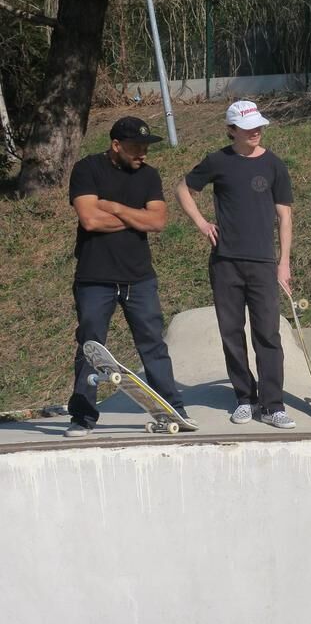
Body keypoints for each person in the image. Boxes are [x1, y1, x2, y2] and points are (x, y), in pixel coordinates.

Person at [65, 116, 194, 437]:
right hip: (95, 277)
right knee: (91, 346)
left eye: (146, 147)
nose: (143, 153)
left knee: (153, 344)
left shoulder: (149, 176)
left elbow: (158, 221)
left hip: (139, 278)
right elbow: (90, 221)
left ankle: (172, 408)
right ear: (116, 145)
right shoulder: (87, 170)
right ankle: (83, 416)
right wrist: (138, 218)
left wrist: (116, 208)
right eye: (136, 147)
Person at [175, 100, 296, 429]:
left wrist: (283, 262)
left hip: (262, 263)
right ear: (231, 130)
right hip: (225, 262)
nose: (255, 131)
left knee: (267, 333)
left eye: (258, 125)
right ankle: (245, 398)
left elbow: (284, 215)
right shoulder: (218, 161)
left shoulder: (274, 165)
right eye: (247, 127)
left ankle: (273, 404)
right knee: (231, 332)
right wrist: (202, 224)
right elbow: (183, 188)